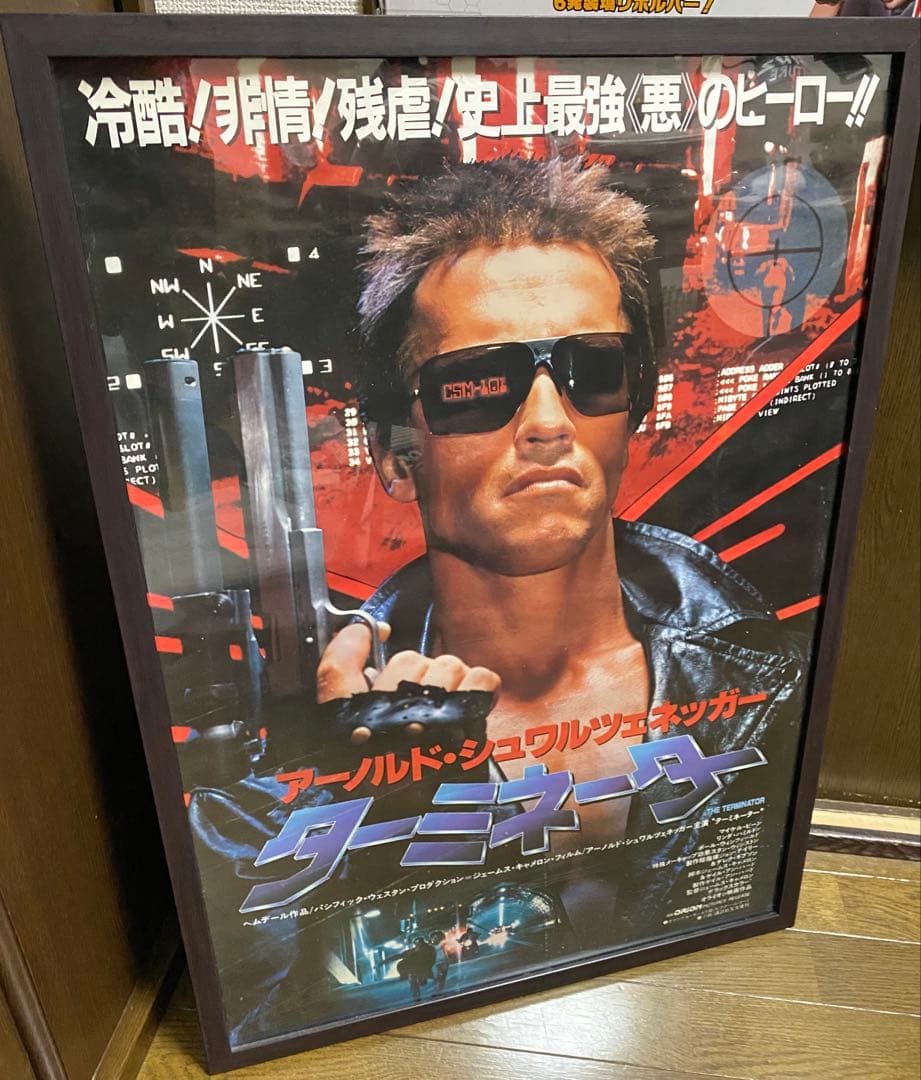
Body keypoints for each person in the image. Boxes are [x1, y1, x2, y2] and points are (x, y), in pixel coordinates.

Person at [314, 158, 805, 900]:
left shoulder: (763, 673)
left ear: (631, 415)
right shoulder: (320, 730)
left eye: (593, 369)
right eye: (476, 383)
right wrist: (377, 825)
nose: (548, 423)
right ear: (395, 454)